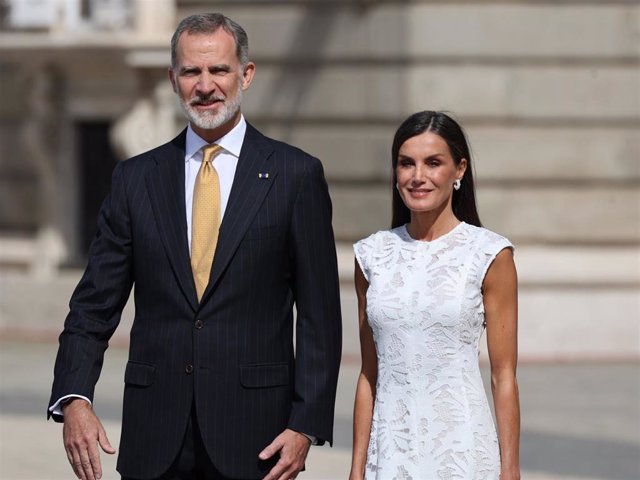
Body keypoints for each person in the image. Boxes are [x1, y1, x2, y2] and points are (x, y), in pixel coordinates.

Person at [48, 13, 342, 480]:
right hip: (155, 437)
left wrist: (305, 424)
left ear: (245, 74)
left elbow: (320, 318)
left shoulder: (294, 175)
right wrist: (73, 397)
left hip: (259, 441)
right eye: (191, 72)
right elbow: (93, 304)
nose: (205, 85)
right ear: (173, 79)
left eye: (219, 70)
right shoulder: (136, 178)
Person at [349, 111, 520, 479]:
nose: (418, 176)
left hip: (463, 450)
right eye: (406, 163)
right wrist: (357, 469)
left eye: (433, 163)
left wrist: (510, 469)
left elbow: (503, 375)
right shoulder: (371, 255)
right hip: (391, 452)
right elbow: (368, 374)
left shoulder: (490, 253)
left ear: (459, 170)